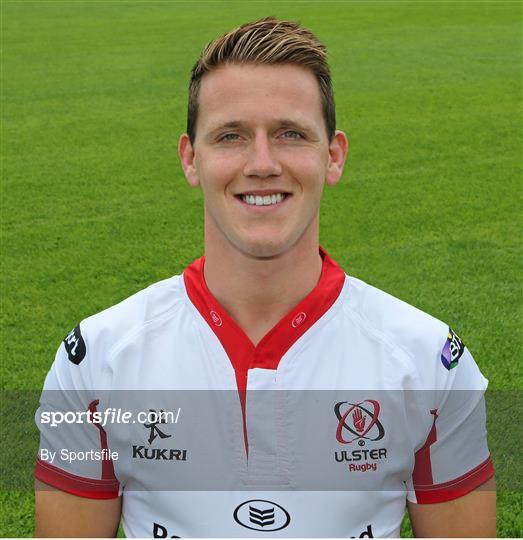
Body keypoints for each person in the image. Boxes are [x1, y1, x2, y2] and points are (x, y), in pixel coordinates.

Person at [35, 17, 495, 537]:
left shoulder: (430, 362)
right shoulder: (95, 361)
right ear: (192, 158)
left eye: (290, 134)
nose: (262, 163)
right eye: (231, 135)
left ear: (333, 155)